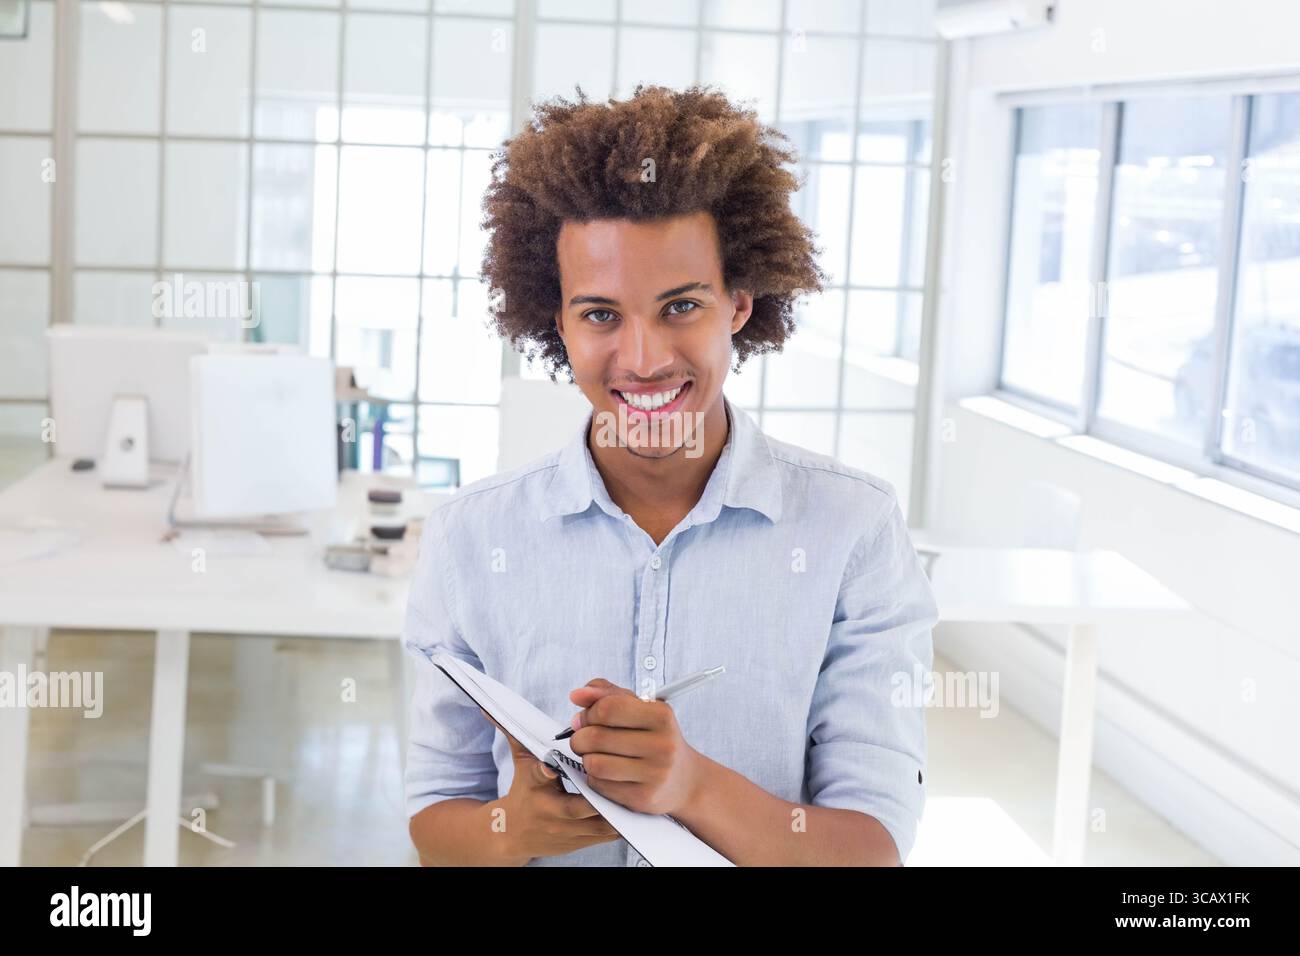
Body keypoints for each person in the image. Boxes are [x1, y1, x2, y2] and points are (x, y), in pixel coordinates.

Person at [404, 84, 937, 866]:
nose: (645, 358)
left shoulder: (851, 529)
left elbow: (872, 849)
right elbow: (433, 821)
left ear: (740, 305)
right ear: (556, 324)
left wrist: (691, 785)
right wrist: (511, 830)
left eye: (681, 306)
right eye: (600, 315)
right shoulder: (470, 536)